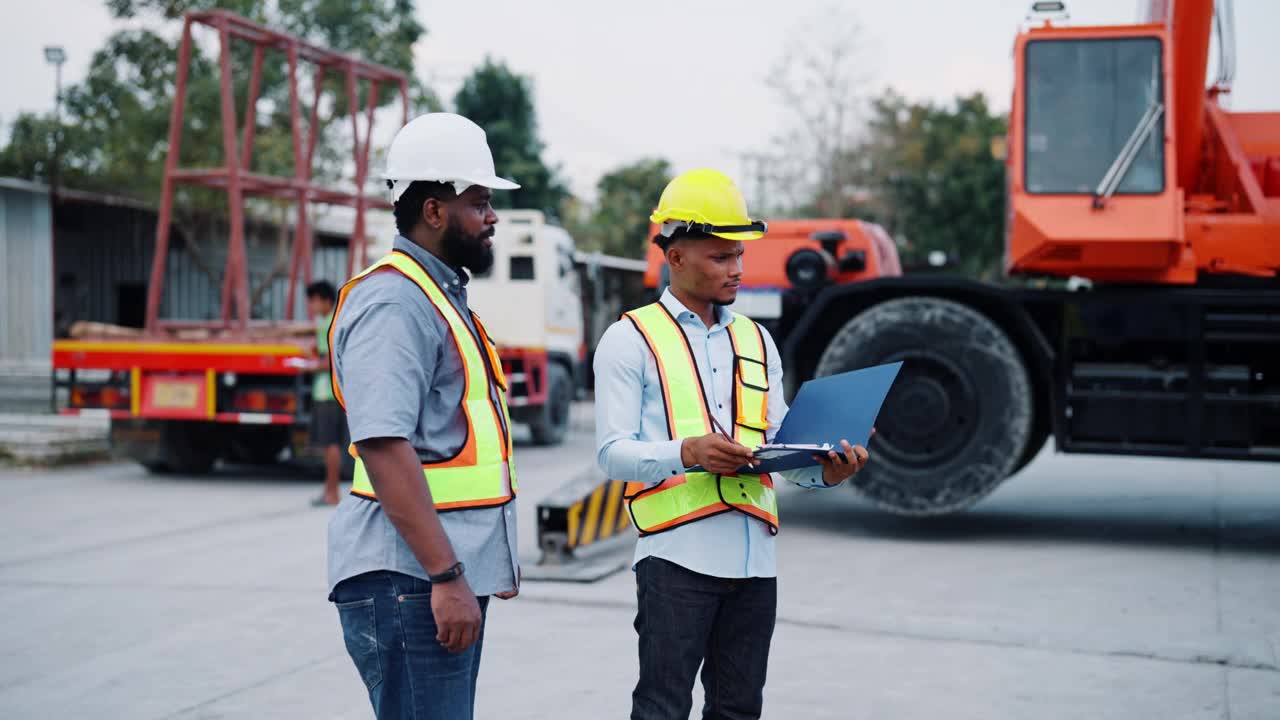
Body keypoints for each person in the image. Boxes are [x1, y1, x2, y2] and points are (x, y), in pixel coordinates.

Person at [594, 168, 871, 720]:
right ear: (674, 256)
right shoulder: (630, 338)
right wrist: (688, 452)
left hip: (754, 563)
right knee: (661, 709)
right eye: (720, 256)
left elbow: (783, 444)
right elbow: (611, 453)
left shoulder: (755, 337)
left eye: (739, 255)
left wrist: (826, 470)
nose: (738, 269)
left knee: (740, 710)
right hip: (676, 558)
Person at [325, 112, 522, 720]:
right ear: (434, 211)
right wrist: (446, 576)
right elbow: (384, 445)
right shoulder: (395, 301)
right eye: (480, 202)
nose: (492, 217)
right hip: (410, 579)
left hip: (427, 575)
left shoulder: (436, 293)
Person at [306, 280, 344, 507]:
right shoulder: (331, 322)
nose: (311, 305)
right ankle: (331, 491)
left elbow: (330, 361)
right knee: (333, 444)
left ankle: (331, 493)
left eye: (314, 300)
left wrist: (308, 365)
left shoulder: (329, 324)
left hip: (327, 393)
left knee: (330, 444)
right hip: (333, 392)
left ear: (326, 301)